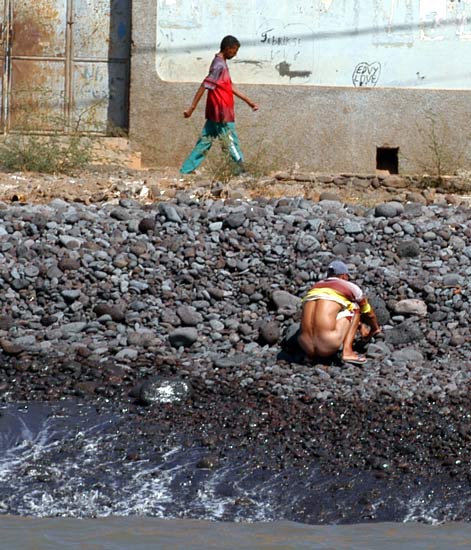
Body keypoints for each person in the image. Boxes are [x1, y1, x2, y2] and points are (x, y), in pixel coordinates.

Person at [180, 35, 259, 175]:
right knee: (230, 142)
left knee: (204, 142)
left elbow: (228, 86)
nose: (235, 54)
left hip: (214, 113)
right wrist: (191, 108)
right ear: (227, 48)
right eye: (234, 51)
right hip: (222, 112)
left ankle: (186, 170)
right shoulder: (219, 66)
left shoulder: (220, 62)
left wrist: (248, 101)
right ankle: (240, 171)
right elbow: (204, 85)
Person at [298, 260, 381, 364]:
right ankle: (348, 352)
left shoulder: (315, 287)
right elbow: (368, 312)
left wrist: (359, 326)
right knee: (355, 307)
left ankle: (310, 357)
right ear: (344, 276)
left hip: (305, 345)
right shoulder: (349, 287)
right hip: (328, 343)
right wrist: (375, 328)